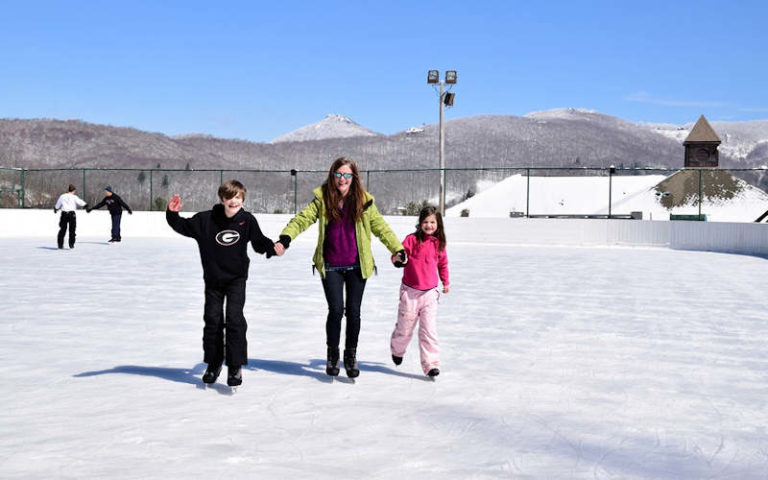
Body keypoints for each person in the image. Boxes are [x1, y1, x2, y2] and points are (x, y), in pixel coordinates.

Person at [274, 157, 406, 379]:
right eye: (338, 174)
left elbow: (381, 228)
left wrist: (397, 249)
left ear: (354, 177)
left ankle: (350, 355)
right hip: (331, 265)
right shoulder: (323, 198)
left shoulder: (364, 201)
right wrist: (286, 238)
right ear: (332, 176)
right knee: (336, 311)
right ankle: (333, 354)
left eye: (347, 175)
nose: (342, 179)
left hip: (357, 265)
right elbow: (302, 219)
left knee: (354, 313)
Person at [166, 180, 276, 387]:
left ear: (242, 199)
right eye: (229, 197)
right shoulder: (206, 220)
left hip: (236, 279)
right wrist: (172, 214)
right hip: (214, 280)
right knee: (213, 320)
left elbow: (259, 242)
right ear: (222, 199)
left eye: (238, 198)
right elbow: (182, 225)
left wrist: (273, 248)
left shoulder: (247, 220)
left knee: (234, 320)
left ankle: (235, 366)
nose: (233, 201)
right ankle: (214, 363)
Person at [389, 205, 450, 378]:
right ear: (420, 223)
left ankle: (431, 364)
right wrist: (398, 259)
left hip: (430, 294)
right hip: (410, 293)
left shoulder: (439, 244)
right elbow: (398, 254)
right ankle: (397, 350)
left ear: (438, 224)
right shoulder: (411, 240)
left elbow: (443, 264)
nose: (429, 225)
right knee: (405, 327)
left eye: (432, 222)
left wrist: (445, 282)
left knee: (428, 330)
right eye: (425, 222)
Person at [53, 184, 88, 249]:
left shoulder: (62, 196)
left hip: (64, 214)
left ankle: (60, 245)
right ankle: (71, 244)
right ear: (74, 190)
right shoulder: (74, 197)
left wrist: (55, 208)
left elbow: (58, 204)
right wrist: (86, 205)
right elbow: (80, 202)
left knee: (62, 230)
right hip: (72, 214)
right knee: (72, 230)